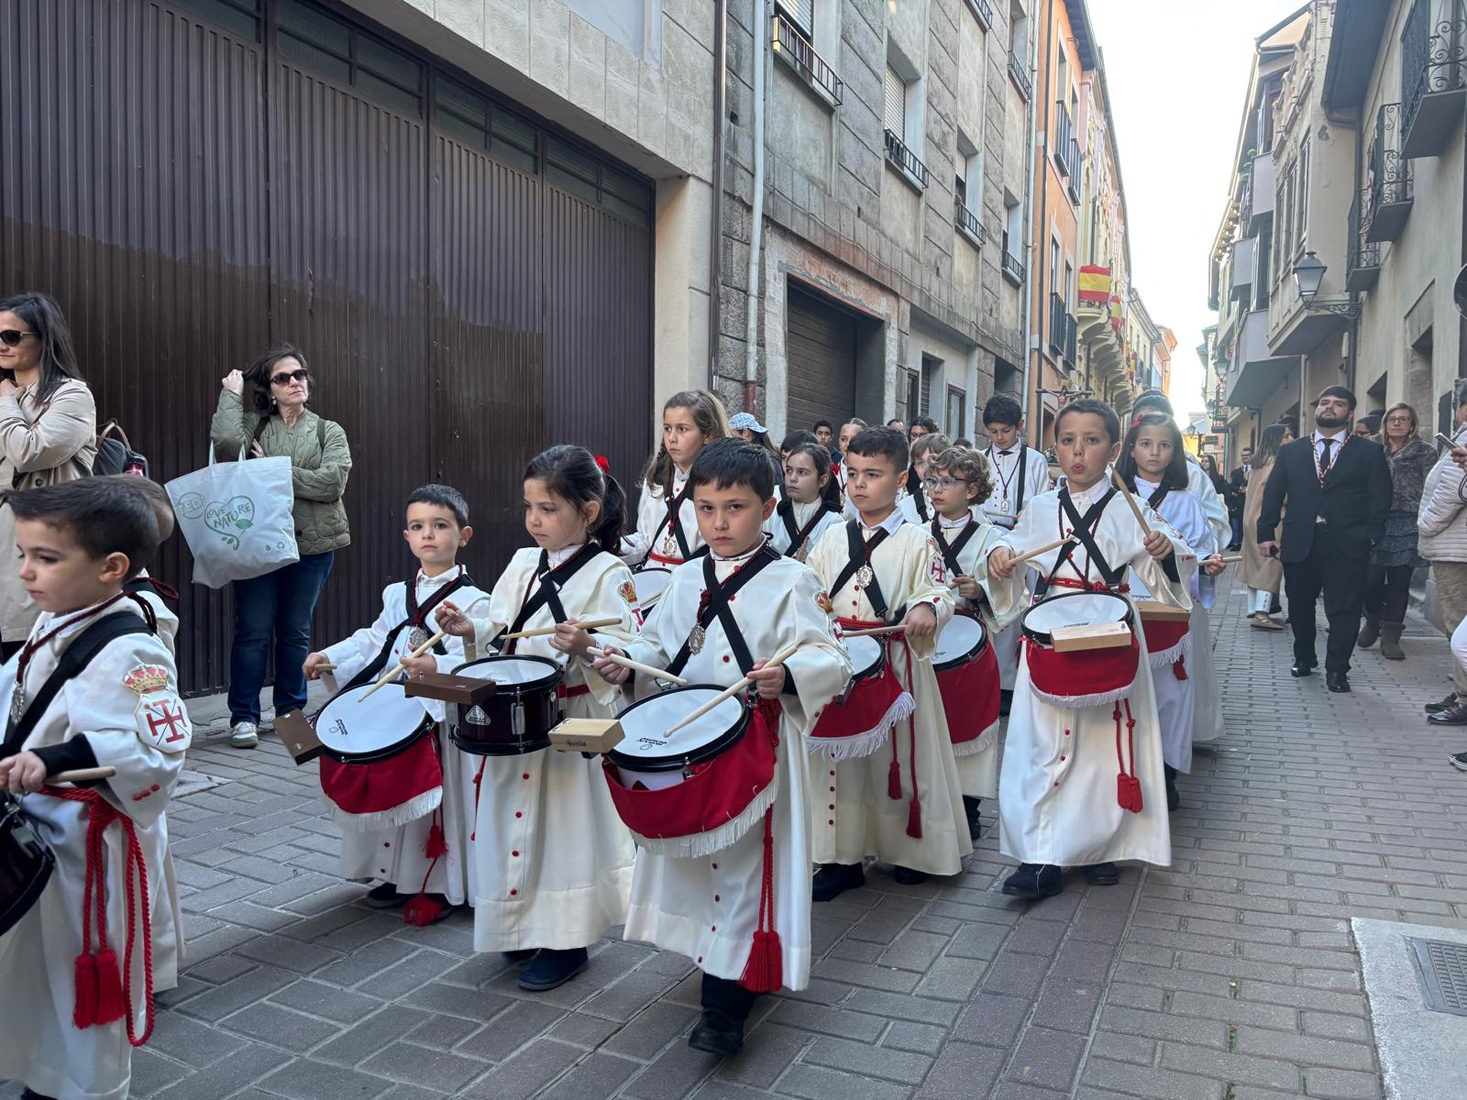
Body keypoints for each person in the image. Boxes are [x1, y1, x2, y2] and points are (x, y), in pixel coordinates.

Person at [591, 439, 849, 1056]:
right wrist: (626, 667)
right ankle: (716, 957)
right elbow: (658, 649)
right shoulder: (684, 578)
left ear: (767, 507)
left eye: (734, 507)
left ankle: (725, 1002)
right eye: (706, 509)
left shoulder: (795, 579)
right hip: (695, 743)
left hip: (756, 746)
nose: (718, 522)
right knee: (698, 859)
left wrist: (787, 677)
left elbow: (831, 658)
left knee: (742, 868)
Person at [0, 478, 188, 1100]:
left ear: (112, 568)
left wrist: (53, 757)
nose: (25, 572)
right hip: (38, 831)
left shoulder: (133, 650)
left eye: (45, 559)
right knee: (33, 968)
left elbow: (158, 750)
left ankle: (78, 1086)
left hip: (85, 854)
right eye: (23, 554)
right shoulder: (54, 620)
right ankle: (38, 1067)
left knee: (73, 971)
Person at [433, 447, 638, 991]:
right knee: (509, 821)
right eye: (529, 508)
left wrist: (591, 643)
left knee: (565, 827)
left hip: (570, 713)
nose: (534, 520)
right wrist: (468, 630)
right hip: (515, 719)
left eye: (548, 509)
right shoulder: (523, 562)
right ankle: (519, 926)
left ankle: (568, 939)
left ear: (588, 511)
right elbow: (501, 629)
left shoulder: (609, 571)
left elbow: (630, 646)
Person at [986, 400, 1194, 899]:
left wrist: (1166, 553)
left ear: (1114, 449)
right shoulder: (1039, 508)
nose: (1078, 452)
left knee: (1107, 748)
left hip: (1111, 630)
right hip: (1051, 630)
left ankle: (1105, 847)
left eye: (1092, 441)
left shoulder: (1130, 507)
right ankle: (1042, 856)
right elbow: (1011, 549)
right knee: (1042, 746)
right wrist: (999, 558)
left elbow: (1169, 562)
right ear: (1054, 448)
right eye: (1067, 440)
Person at [302, 485, 488, 924]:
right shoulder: (395, 593)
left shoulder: (476, 601)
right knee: (393, 791)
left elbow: (477, 654)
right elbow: (375, 638)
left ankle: (438, 883)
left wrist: (435, 663)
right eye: (418, 527)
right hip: (398, 707)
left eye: (440, 526)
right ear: (406, 537)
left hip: (437, 716)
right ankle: (392, 874)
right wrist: (332, 655)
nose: (429, 535)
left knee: (435, 801)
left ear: (464, 535)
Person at [804, 426, 966, 899]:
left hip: (897, 663)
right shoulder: (832, 537)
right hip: (842, 664)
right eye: (852, 473)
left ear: (901, 481)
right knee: (841, 765)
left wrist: (926, 608)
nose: (859, 484)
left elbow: (940, 588)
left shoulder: (919, 540)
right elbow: (809, 591)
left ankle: (911, 850)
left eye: (873, 475)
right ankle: (841, 857)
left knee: (901, 761)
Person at [211, 345, 351, 748]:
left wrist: (273, 468)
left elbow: (331, 485)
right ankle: (243, 717)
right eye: (283, 378)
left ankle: (291, 713)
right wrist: (232, 395)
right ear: (270, 389)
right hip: (259, 543)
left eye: (300, 375)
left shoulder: (329, 431)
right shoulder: (255, 427)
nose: (295, 382)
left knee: (294, 632)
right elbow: (224, 443)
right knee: (252, 631)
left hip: (313, 546)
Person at [1119, 414, 1225, 811]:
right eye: (1145, 444)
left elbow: (1197, 550)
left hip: (1169, 612)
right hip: (1125, 607)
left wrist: (1203, 566)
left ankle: (1166, 774)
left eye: (1164, 445)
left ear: (1175, 453)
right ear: (1131, 450)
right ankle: (1128, 768)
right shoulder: (1115, 497)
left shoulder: (1185, 501)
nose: (1154, 452)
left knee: (1171, 695)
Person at [1257, 386, 1392, 693]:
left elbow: (1381, 496)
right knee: (1300, 607)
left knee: (1343, 609)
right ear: (1316, 410)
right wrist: (1265, 534)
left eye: (1338, 404)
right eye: (1325, 402)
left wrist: (1371, 535)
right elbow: (1274, 493)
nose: (1330, 407)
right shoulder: (1293, 451)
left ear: (1350, 413)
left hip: (1348, 543)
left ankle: (1337, 670)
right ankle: (1304, 657)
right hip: (1301, 541)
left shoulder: (1369, 452)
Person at [0, 292, 98, 660]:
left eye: (11, 336)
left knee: (33, 657)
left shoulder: (71, 395)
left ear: (44, 338)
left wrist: (7, 403)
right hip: (6, 541)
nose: (2, 345)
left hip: (45, 546)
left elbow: (29, 451)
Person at [923, 446, 1005, 839]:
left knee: (969, 730)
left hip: (969, 648)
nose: (937, 489)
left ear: (972, 489)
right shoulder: (917, 535)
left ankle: (968, 807)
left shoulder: (992, 538)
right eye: (932, 481)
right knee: (925, 729)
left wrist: (982, 589)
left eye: (948, 481)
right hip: (926, 644)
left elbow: (1010, 590)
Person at [979, 394, 1052, 713]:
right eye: (993, 432)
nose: (999, 438)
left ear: (1019, 426)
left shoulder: (1035, 460)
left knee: (1017, 608)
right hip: (988, 537)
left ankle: (1010, 683)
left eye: (1005, 431)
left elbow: (1043, 500)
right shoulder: (980, 458)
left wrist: (1027, 516)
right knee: (992, 607)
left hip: (1022, 540)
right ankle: (990, 678)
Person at [1359, 403, 1433, 661]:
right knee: (1371, 579)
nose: (1397, 423)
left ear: (1412, 424)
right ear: (1385, 423)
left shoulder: (1425, 452)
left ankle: (1391, 636)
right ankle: (1373, 618)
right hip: (1374, 520)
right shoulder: (1371, 448)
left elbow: (1431, 488)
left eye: (1404, 419)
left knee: (1400, 582)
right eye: (1393, 419)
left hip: (1408, 522)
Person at [623, 390, 730, 568]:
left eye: (682, 429)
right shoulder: (656, 479)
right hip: (652, 584)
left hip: (697, 584)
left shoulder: (722, 483)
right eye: (667, 428)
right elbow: (645, 540)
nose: (671, 438)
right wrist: (608, 546)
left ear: (708, 434)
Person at [1417, 380, 1467, 723]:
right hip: (1455, 545)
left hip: (1455, 548)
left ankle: (1464, 699)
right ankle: (1462, 690)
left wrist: (1426, 525)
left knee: (1459, 628)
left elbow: (1453, 488)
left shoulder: (1464, 436)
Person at [1240, 425, 1292, 630]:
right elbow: (1281, 496)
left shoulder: (1257, 464)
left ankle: (1253, 608)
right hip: (1272, 519)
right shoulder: (1277, 465)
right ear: (1276, 439)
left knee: (1255, 563)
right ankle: (1261, 614)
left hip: (1250, 518)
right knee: (1271, 563)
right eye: (1286, 435)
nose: (1291, 438)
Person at [766, 440, 843, 560]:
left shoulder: (833, 523)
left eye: (802, 472)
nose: (792, 478)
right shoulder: (771, 511)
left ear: (822, 480)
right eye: (789, 470)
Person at [897, 432, 950, 524]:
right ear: (915, 468)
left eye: (933, 460)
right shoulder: (904, 507)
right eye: (921, 463)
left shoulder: (961, 502)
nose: (927, 467)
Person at [1226, 449, 1254, 552]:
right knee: (1241, 523)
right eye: (1243, 456)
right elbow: (1232, 486)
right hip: (1240, 502)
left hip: (1253, 501)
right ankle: (1240, 543)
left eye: (1247, 455)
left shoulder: (1256, 470)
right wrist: (1239, 490)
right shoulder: (1237, 472)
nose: (1245, 457)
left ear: (1252, 456)